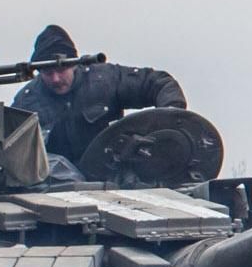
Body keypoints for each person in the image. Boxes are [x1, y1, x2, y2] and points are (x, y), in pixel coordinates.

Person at [10, 24, 185, 174]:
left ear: (74, 64)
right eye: (48, 73)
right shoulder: (27, 103)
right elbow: (12, 150)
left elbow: (159, 83)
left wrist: (169, 119)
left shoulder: (105, 80)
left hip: (115, 175)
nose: (55, 79)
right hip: (56, 187)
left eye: (61, 70)